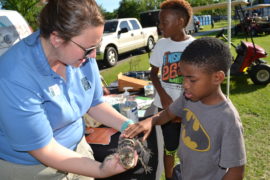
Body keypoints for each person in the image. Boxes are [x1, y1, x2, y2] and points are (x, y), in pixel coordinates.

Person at [0, 0, 137, 179]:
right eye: (88, 49)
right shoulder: (13, 75)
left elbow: (94, 104)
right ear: (56, 38)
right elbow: (44, 149)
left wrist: (127, 126)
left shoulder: (82, 57)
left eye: (96, 46)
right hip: (32, 167)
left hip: (78, 150)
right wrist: (100, 170)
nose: (94, 55)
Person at [124, 37, 247, 180]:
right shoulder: (189, 97)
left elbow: (236, 172)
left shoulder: (228, 119)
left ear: (217, 77)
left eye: (192, 79)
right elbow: (168, 114)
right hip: (183, 173)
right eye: (183, 78)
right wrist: (151, 121)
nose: (185, 85)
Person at [149, 0, 195, 179]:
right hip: (165, 107)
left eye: (164, 22)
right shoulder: (161, 45)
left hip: (189, 109)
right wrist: (164, 96)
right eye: (160, 22)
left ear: (180, 22)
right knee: (169, 148)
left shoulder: (194, 46)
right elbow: (153, 74)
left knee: (190, 148)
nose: (160, 26)